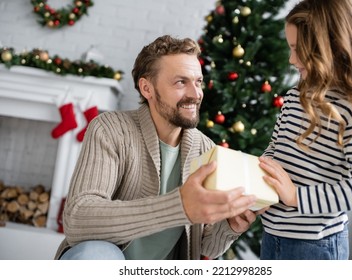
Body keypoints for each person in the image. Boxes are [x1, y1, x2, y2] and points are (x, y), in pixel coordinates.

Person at [54, 35, 262, 260]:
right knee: (97, 256)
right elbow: (78, 219)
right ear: (147, 88)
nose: (195, 94)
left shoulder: (205, 149)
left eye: (198, 82)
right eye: (181, 82)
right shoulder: (110, 129)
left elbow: (205, 247)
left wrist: (230, 227)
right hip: (104, 259)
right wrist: (178, 205)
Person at [258, 0, 352, 260]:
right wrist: (260, 189)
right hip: (272, 236)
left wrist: (296, 196)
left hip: (315, 247)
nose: (291, 59)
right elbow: (276, 149)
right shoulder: (295, 97)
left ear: (329, 47)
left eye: (298, 49)